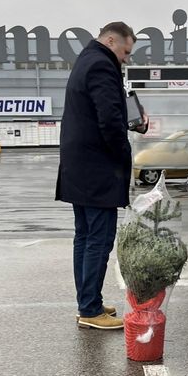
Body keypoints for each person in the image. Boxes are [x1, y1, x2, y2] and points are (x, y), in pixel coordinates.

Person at [55, 21, 148, 330]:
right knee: (98, 239)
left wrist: (129, 119)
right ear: (111, 40)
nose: (126, 58)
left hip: (79, 167)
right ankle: (91, 310)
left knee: (84, 237)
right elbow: (109, 120)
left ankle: (87, 302)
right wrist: (125, 159)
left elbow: (105, 112)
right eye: (125, 51)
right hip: (97, 169)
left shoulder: (85, 60)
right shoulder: (101, 66)